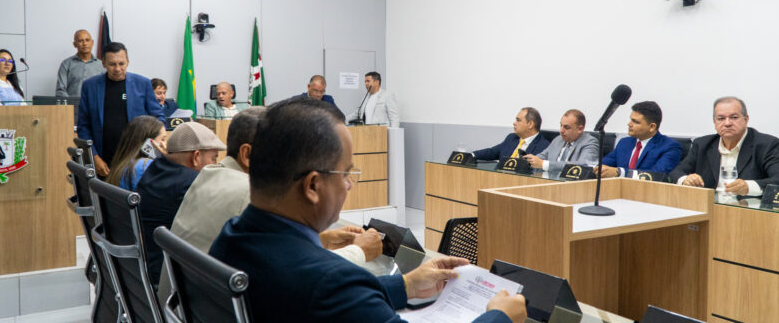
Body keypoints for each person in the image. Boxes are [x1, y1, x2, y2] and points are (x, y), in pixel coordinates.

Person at [209, 97, 526, 323]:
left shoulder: (232, 235)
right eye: (346, 174)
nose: (349, 185)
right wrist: (499, 317)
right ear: (313, 186)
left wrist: (405, 285)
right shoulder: (329, 281)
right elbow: (332, 292)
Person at [157, 106, 382, 301]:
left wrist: (320, 241)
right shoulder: (251, 195)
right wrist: (359, 251)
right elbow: (297, 276)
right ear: (248, 155)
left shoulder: (209, 175)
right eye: (282, 153)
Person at [134, 121, 225, 285]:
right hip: (167, 279)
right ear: (196, 157)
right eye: (213, 158)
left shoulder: (155, 168)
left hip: (143, 269)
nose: (216, 165)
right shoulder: (192, 182)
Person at [77, 42, 165, 177]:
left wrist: (150, 148)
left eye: (121, 63)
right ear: (103, 63)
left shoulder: (143, 84)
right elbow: (83, 127)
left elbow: (159, 120)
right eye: (112, 64)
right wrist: (94, 157)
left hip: (138, 160)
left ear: (128, 62)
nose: (117, 69)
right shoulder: (90, 86)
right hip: (103, 160)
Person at [670, 97, 779, 195]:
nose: (727, 123)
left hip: (748, 209)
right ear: (714, 122)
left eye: (734, 117)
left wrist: (748, 187)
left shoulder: (768, 145)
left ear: (746, 120)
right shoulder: (702, 144)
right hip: (708, 208)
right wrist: (685, 179)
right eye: (721, 118)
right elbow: (676, 172)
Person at [596, 101, 681, 178]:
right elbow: (604, 165)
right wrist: (599, 169)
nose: (629, 124)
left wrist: (620, 172)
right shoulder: (624, 142)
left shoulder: (670, 147)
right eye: (630, 119)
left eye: (635, 122)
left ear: (652, 127)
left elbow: (657, 175)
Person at [104, 115, 166, 191]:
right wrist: (167, 160)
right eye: (163, 139)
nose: (165, 144)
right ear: (149, 143)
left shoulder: (123, 164)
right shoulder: (145, 165)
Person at [524, 109, 598, 171]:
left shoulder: (590, 142)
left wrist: (545, 164)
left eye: (566, 127)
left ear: (580, 129)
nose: (561, 131)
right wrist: (528, 160)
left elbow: (584, 166)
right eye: (561, 125)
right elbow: (542, 156)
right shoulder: (558, 139)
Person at [474, 107, 550, 161]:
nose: (514, 123)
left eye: (518, 120)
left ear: (530, 124)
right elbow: (492, 152)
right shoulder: (512, 138)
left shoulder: (544, 146)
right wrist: (472, 155)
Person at [55, 30, 106, 97]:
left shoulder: (101, 65)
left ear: (92, 42)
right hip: (72, 103)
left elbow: (106, 88)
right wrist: (71, 102)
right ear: (75, 44)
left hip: (94, 103)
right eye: (80, 41)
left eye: (87, 40)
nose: (84, 43)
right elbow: (60, 90)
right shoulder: (66, 64)